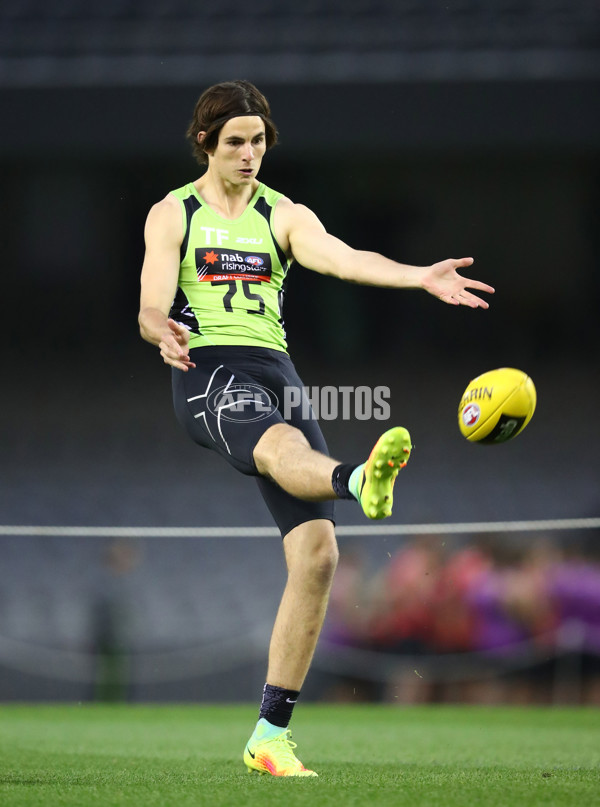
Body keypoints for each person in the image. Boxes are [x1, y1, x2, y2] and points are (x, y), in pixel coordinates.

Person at [138, 79, 494, 777]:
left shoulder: (282, 213)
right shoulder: (174, 212)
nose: (249, 153)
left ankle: (269, 735)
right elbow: (151, 301)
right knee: (279, 448)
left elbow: (342, 257)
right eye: (235, 141)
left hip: (276, 369)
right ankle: (358, 479)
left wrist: (417, 275)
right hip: (208, 369)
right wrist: (162, 330)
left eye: (259, 141)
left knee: (319, 556)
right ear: (207, 142)